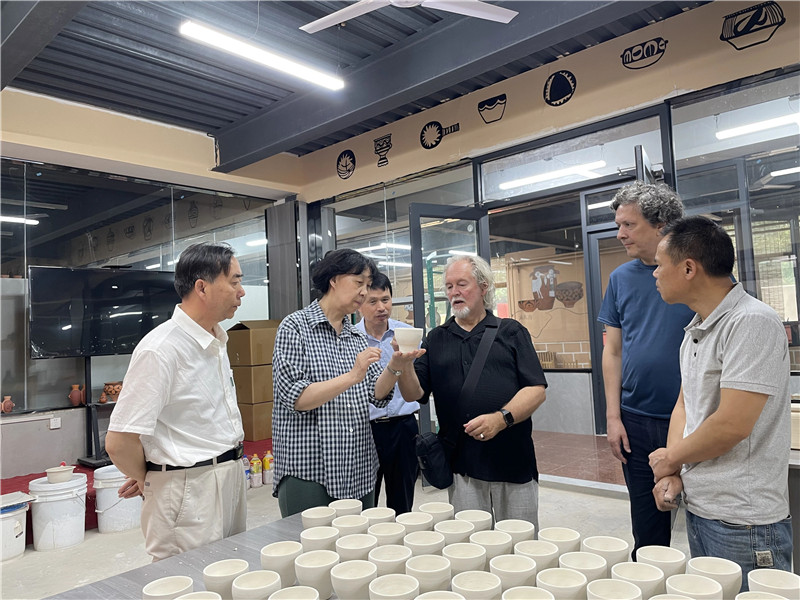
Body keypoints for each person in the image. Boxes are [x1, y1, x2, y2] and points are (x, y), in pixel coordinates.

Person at [649, 216, 792, 590]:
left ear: (689, 268)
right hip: (702, 507)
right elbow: (685, 405)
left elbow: (731, 425)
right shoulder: (696, 330)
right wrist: (672, 470)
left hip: (744, 520)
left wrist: (670, 458)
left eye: (660, 265)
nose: (655, 274)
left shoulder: (751, 322)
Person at [106, 242, 247, 561]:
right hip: (188, 489)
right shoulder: (161, 349)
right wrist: (152, 477)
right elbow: (119, 441)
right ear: (202, 287)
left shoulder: (216, 340)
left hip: (228, 475)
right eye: (234, 282)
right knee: (186, 578)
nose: (241, 292)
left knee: (231, 572)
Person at [394, 255, 547, 528]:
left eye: (462, 284)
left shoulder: (511, 332)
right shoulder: (436, 338)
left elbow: (535, 389)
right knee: (469, 543)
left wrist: (501, 419)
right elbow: (413, 394)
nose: (454, 292)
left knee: (519, 543)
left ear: (484, 287)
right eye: (449, 286)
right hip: (462, 467)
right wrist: (403, 366)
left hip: (514, 461)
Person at [271, 248, 406, 517]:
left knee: (359, 541)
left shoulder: (355, 337)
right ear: (333, 280)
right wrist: (352, 376)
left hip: (358, 466)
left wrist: (395, 366)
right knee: (310, 542)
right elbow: (297, 398)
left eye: (368, 285)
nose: (364, 292)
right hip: (309, 469)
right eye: (359, 283)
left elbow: (376, 394)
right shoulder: (295, 327)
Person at [597, 181, 693, 555]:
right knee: (648, 527)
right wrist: (612, 417)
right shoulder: (621, 279)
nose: (620, 234)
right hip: (635, 420)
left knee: (705, 520)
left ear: (661, 225)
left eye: (629, 225)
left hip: (693, 420)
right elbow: (612, 351)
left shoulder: (697, 273)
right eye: (618, 225)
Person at [356, 272, 420, 515]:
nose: (381, 307)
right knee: (365, 502)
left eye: (386, 299)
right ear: (359, 304)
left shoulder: (407, 334)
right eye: (372, 301)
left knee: (402, 501)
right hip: (365, 429)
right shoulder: (350, 338)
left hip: (403, 427)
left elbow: (416, 385)